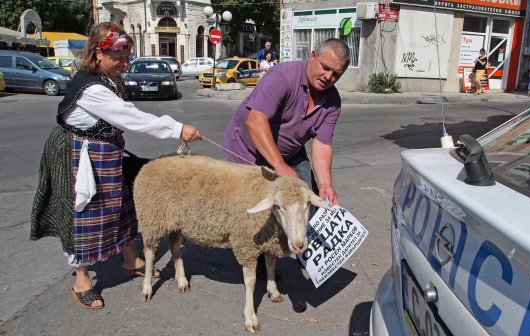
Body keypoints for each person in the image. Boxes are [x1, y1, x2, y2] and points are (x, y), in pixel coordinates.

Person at [30, 22, 202, 310]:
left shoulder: (109, 78)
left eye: (127, 57)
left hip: (105, 150)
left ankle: (130, 258)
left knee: (121, 206)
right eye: (118, 58)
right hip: (79, 155)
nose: (125, 64)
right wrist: (177, 128)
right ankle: (81, 279)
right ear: (99, 53)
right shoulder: (91, 88)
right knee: (85, 214)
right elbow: (129, 117)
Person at [222, 37, 350, 207]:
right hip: (247, 153)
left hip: (291, 155)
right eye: (325, 67)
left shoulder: (333, 101)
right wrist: (280, 167)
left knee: (307, 205)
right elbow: (255, 120)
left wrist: (325, 185)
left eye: (336, 74)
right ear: (312, 56)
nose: (328, 77)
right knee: (249, 212)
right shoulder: (282, 76)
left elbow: (322, 144)